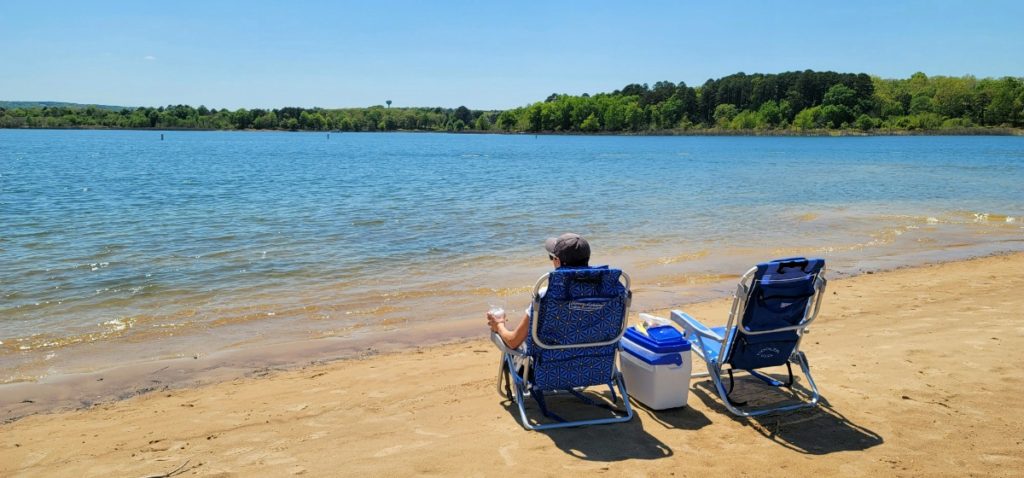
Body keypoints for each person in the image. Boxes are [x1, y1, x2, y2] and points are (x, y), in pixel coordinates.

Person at [488, 233, 591, 349]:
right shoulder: (610, 291)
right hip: (597, 363)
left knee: (512, 353)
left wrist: (499, 324)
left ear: (557, 261)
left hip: (553, 364)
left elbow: (513, 341)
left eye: (551, 257)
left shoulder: (546, 294)